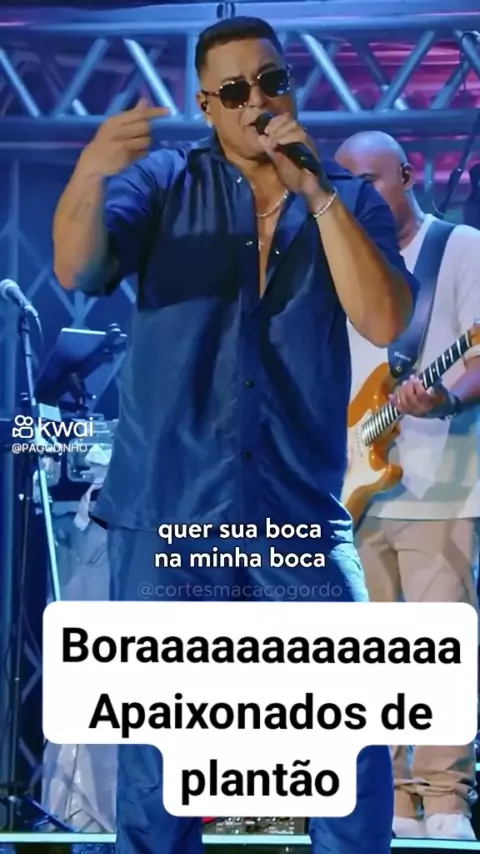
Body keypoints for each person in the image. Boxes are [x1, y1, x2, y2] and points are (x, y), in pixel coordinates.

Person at [52, 17, 417, 854]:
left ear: (291, 85)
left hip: (296, 511)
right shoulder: (165, 182)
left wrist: (317, 192)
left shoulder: (346, 196)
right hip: (170, 509)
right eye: (235, 90)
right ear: (206, 105)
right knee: (160, 766)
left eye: (272, 81)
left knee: (351, 741)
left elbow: (383, 318)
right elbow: (78, 267)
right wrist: (90, 171)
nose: (258, 101)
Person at [336, 130, 480, 842]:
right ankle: (388, 793)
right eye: (346, 186)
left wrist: (444, 398)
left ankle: (444, 794)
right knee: (369, 656)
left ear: (408, 174)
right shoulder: (340, 260)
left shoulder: (461, 248)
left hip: (439, 483)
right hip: (350, 486)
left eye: (371, 181)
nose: (358, 197)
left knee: (438, 647)